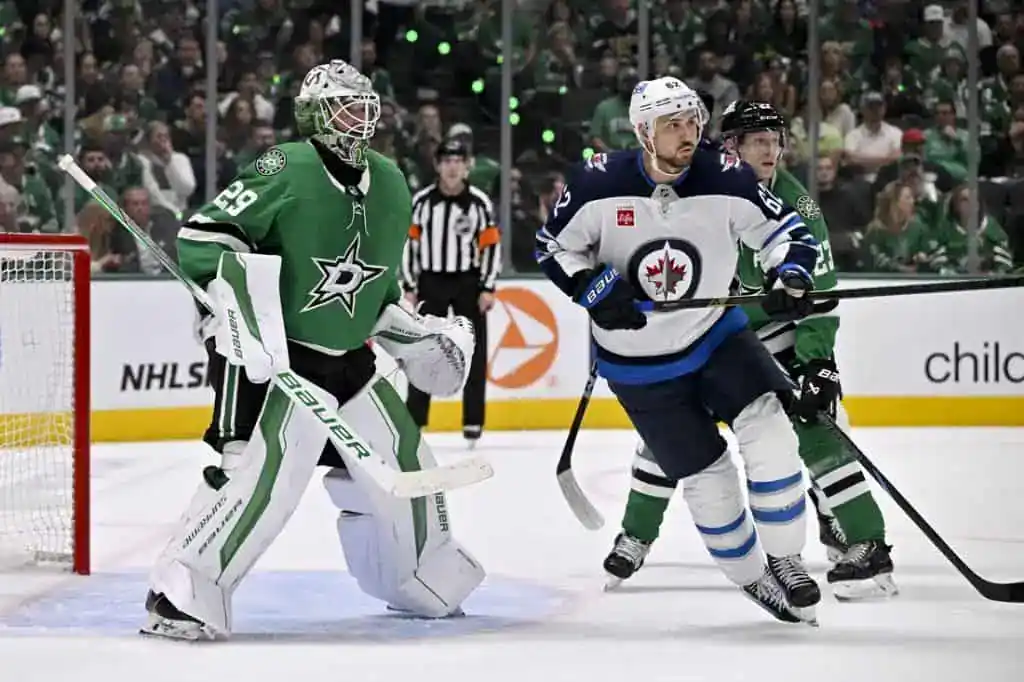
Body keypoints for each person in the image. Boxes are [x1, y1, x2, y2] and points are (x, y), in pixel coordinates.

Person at [143, 60, 485, 641]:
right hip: (284, 357)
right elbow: (204, 236)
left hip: (351, 361)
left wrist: (415, 337)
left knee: (407, 457)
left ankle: (420, 575)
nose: (361, 118)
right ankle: (182, 590)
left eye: (365, 106)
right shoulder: (286, 166)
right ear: (316, 116)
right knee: (266, 474)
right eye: (346, 107)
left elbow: (375, 290)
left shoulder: (391, 182)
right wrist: (232, 298)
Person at [536, 77, 822, 625]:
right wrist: (594, 289)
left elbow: (786, 231)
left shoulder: (727, 175)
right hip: (637, 363)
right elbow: (553, 247)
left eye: (693, 121)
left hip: (716, 336)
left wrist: (790, 273)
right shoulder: (598, 182)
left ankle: (787, 558)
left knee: (769, 428)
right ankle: (752, 577)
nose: (688, 133)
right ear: (644, 132)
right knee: (708, 477)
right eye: (673, 125)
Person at [603, 100, 898, 602]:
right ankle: (636, 534)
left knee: (819, 423)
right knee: (671, 430)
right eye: (759, 141)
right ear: (731, 146)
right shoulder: (695, 186)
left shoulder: (796, 205)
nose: (771, 151)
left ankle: (865, 540)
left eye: (776, 141)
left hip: (774, 338)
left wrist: (817, 360)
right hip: (709, 336)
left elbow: (821, 293)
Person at [401, 139, 501, 446]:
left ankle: (473, 421)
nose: (452, 167)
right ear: (437, 166)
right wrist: (410, 285)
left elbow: (490, 247)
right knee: (424, 351)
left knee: (473, 351)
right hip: (430, 282)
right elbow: (409, 246)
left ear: (467, 165)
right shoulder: (422, 202)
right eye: (447, 161)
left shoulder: (479, 203)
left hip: (467, 283)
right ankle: (415, 420)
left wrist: (487, 287)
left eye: (458, 161)